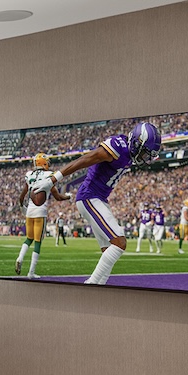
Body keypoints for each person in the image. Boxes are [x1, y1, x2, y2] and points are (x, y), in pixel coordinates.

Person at [42, 121, 162, 285]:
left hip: (98, 199)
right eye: (144, 153)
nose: (144, 158)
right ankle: (91, 284)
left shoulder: (128, 153)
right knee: (119, 242)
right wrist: (55, 178)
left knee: (109, 250)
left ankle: (99, 285)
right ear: (136, 142)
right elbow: (86, 159)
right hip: (89, 196)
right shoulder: (117, 147)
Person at [14, 153, 69, 279]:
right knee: (38, 242)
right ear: (43, 162)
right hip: (40, 212)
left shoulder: (29, 175)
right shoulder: (48, 176)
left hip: (29, 212)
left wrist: (23, 209)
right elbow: (58, 197)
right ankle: (31, 273)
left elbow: (21, 197)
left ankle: (20, 258)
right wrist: (68, 196)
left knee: (28, 239)